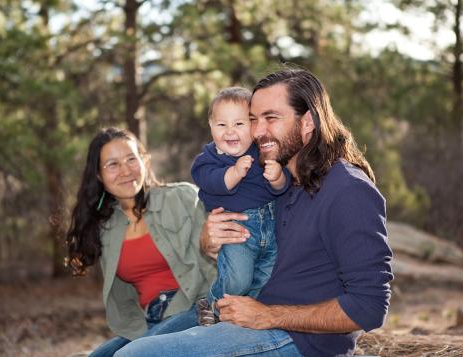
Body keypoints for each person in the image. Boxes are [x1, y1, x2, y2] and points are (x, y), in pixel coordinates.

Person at [114, 68, 393, 357]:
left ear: (308, 121)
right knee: (114, 350)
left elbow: (370, 307)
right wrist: (209, 242)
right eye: (253, 119)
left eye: (271, 118)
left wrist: (269, 316)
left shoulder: (348, 190)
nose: (258, 132)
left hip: (297, 340)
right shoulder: (272, 180)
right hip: (243, 315)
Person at [65, 127, 215, 356]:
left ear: (144, 161)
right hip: (149, 322)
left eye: (131, 159)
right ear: (98, 175)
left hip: (195, 309)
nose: (125, 171)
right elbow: (123, 298)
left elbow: (217, 260)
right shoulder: (105, 228)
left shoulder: (182, 198)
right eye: (113, 164)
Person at [191, 87, 290, 325]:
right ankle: (212, 302)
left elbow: (282, 188)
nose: (230, 132)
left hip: (270, 228)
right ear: (211, 126)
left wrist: (278, 177)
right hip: (238, 229)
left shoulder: (262, 153)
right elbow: (212, 182)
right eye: (221, 125)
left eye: (239, 124)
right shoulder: (209, 159)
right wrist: (234, 173)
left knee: (266, 278)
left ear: (253, 127)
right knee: (239, 280)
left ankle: (236, 316)